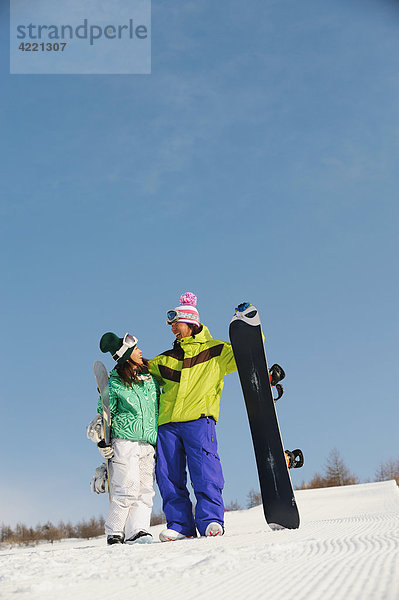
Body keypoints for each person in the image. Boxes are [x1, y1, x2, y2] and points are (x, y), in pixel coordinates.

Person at [149, 292, 237, 541]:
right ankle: (179, 525)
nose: (173, 329)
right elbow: (142, 374)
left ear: (191, 323)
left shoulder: (217, 351)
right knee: (168, 475)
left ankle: (210, 520)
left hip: (199, 420)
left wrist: (245, 325)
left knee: (205, 470)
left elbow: (249, 348)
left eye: (176, 324)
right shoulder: (165, 359)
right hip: (168, 424)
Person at [87, 332, 159, 545]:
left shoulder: (150, 380)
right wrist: (102, 442)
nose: (141, 351)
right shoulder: (115, 384)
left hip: (148, 442)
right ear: (127, 355)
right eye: (136, 349)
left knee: (146, 491)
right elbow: (105, 415)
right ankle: (115, 531)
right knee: (126, 489)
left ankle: (138, 530)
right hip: (125, 442)